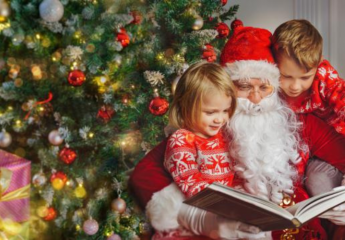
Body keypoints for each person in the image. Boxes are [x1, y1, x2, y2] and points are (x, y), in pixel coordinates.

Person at [129, 27, 345, 240]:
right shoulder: (209, 125)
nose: (256, 98)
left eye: (265, 87)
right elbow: (143, 176)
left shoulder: (298, 123)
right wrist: (203, 221)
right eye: (244, 86)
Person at [272, 18, 345, 239]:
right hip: (300, 148)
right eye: (286, 76)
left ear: (318, 65)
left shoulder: (326, 79)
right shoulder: (267, 86)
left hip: (330, 150)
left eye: (305, 77)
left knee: (321, 184)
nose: (295, 86)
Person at [165, 61, 237, 200]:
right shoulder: (181, 140)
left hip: (229, 205)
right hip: (202, 207)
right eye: (210, 113)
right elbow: (190, 181)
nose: (219, 119)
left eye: (225, 111)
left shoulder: (224, 134)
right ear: (186, 106)